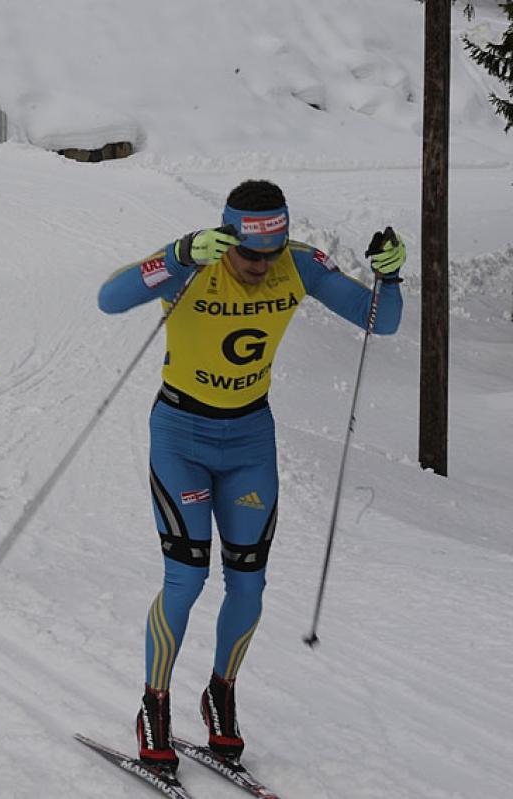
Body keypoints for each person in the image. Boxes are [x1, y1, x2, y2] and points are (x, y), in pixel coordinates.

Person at [96, 179, 405, 773]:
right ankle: (153, 704)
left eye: (272, 253)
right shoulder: (196, 260)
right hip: (181, 434)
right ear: (228, 237)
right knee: (185, 579)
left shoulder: (300, 264)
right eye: (250, 253)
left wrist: (390, 277)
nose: (262, 266)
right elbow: (111, 298)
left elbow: (380, 322)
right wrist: (180, 254)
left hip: (248, 442)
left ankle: (220, 694)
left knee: (248, 585)